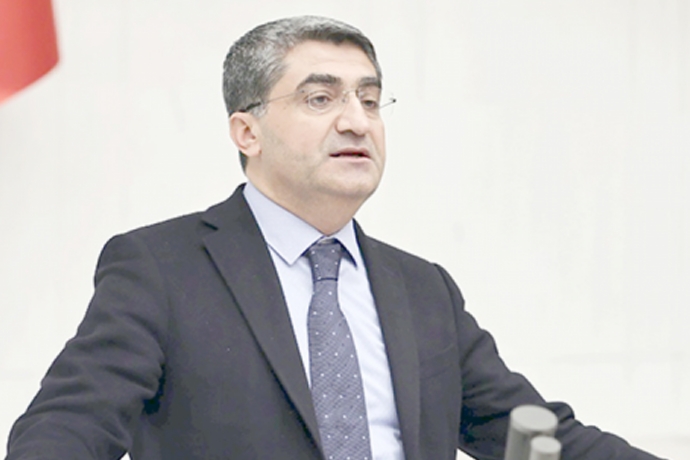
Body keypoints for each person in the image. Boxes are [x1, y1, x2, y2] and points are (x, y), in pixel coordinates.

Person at [5, 16, 663, 460]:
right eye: (321, 99)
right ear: (247, 132)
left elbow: (540, 434)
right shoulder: (161, 267)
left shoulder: (422, 288)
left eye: (370, 100)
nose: (356, 121)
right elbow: (68, 426)